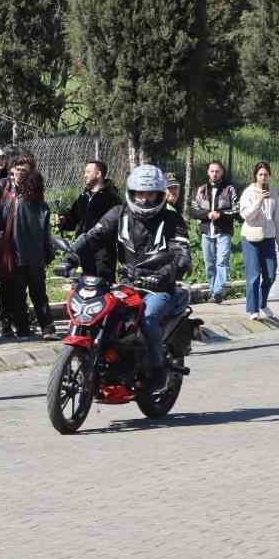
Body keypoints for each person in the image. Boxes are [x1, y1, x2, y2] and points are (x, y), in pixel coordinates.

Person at [63, 164, 192, 391]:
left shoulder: (173, 221)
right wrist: (71, 257)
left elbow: (182, 255)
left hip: (159, 287)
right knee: (103, 313)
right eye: (140, 193)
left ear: (160, 195)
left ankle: (157, 368)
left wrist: (164, 275)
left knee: (148, 317)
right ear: (132, 193)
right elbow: (94, 235)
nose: (144, 199)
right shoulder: (119, 213)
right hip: (127, 283)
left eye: (150, 194)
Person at [0, 154, 60, 340]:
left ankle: (23, 329)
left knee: (19, 293)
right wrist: (48, 254)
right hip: (36, 256)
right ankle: (47, 328)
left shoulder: (17, 202)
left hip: (18, 254)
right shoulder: (43, 205)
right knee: (39, 293)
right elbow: (45, 233)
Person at [57, 160, 123, 281]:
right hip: (82, 250)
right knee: (83, 286)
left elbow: (115, 226)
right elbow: (74, 219)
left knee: (103, 286)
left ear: (98, 174)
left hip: (102, 254)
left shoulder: (111, 198)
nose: (85, 175)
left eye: (88, 171)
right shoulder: (83, 196)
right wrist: (64, 221)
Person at [238, 160, 279, 321]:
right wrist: (258, 202)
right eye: (260, 174)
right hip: (251, 237)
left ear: (270, 176)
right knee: (254, 276)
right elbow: (246, 216)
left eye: (266, 174)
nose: (263, 177)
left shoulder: (273, 192)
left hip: (269, 237)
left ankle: (263, 303)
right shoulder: (248, 192)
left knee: (270, 275)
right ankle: (253, 309)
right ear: (255, 176)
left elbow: (278, 216)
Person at [188, 160, 239, 304]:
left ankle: (218, 292)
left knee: (222, 261)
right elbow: (193, 210)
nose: (215, 174)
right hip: (206, 232)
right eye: (212, 171)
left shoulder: (229, 189)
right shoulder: (201, 190)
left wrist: (220, 214)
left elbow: (237, 209)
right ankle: (212, 292)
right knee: (209, 263)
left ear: (222, 172)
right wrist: (206, 214)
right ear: (208, 172)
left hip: (224, 231)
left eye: (217, 171)